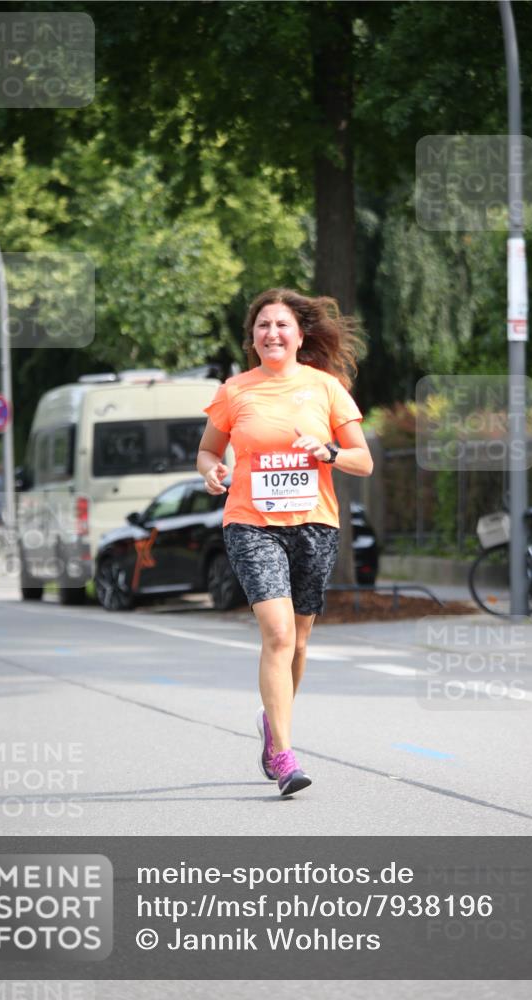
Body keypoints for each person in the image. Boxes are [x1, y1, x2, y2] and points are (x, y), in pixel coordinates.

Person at [197, 288, 373, 796]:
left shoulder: (327, 388)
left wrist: (328, 451)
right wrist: (214, 473)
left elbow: (363, 460)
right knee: (276, 634)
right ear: (252, 337)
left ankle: (271, 724)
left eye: (281, 325)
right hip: (251, 522)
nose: (271, 333)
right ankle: (282, 756)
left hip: (314, 523)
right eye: (262, 326)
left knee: (298, 639)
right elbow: (208, 452)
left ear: (299, 335)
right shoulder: (235, 391)